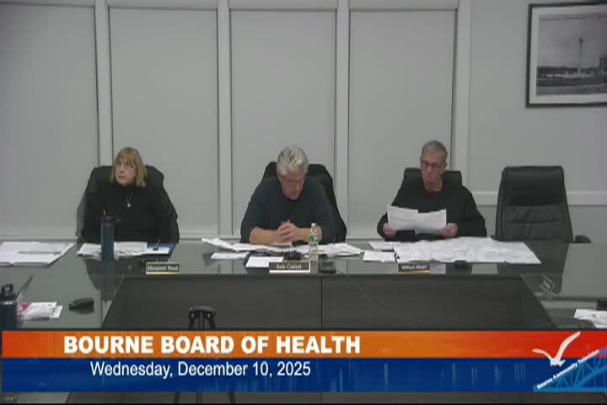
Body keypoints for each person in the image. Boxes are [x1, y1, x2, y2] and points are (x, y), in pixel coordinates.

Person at [377, 140, 486, 241]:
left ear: (443, 167)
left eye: (434, 166)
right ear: (420, 163)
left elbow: (480, 228)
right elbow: (385, 221)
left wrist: (457, 229)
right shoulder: (408, 190)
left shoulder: (460, 195)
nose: (429, 170)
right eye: (425, 164)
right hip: (412, 251)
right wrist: (385, 228)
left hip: (446, 252)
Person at [240, 146, 335, 245]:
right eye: (291, 182)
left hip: (308, 253)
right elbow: (246, 231)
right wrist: (276, 236)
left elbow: (329, 231)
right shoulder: (265, 190)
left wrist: (300, 234)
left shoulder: (315, 189)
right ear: (280, 177)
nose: (297, 187)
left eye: (301, 181)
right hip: (272, 253)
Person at [81, 147, 173, 243]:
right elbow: (88, 230)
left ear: (138, 170)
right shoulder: (103, 190)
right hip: (112, 249)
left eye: (128, 166)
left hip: (145, 249)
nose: (121, 170)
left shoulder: (150, 190)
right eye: (118, 164)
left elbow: (165, 227)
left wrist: (156, 249)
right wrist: (103, 247)